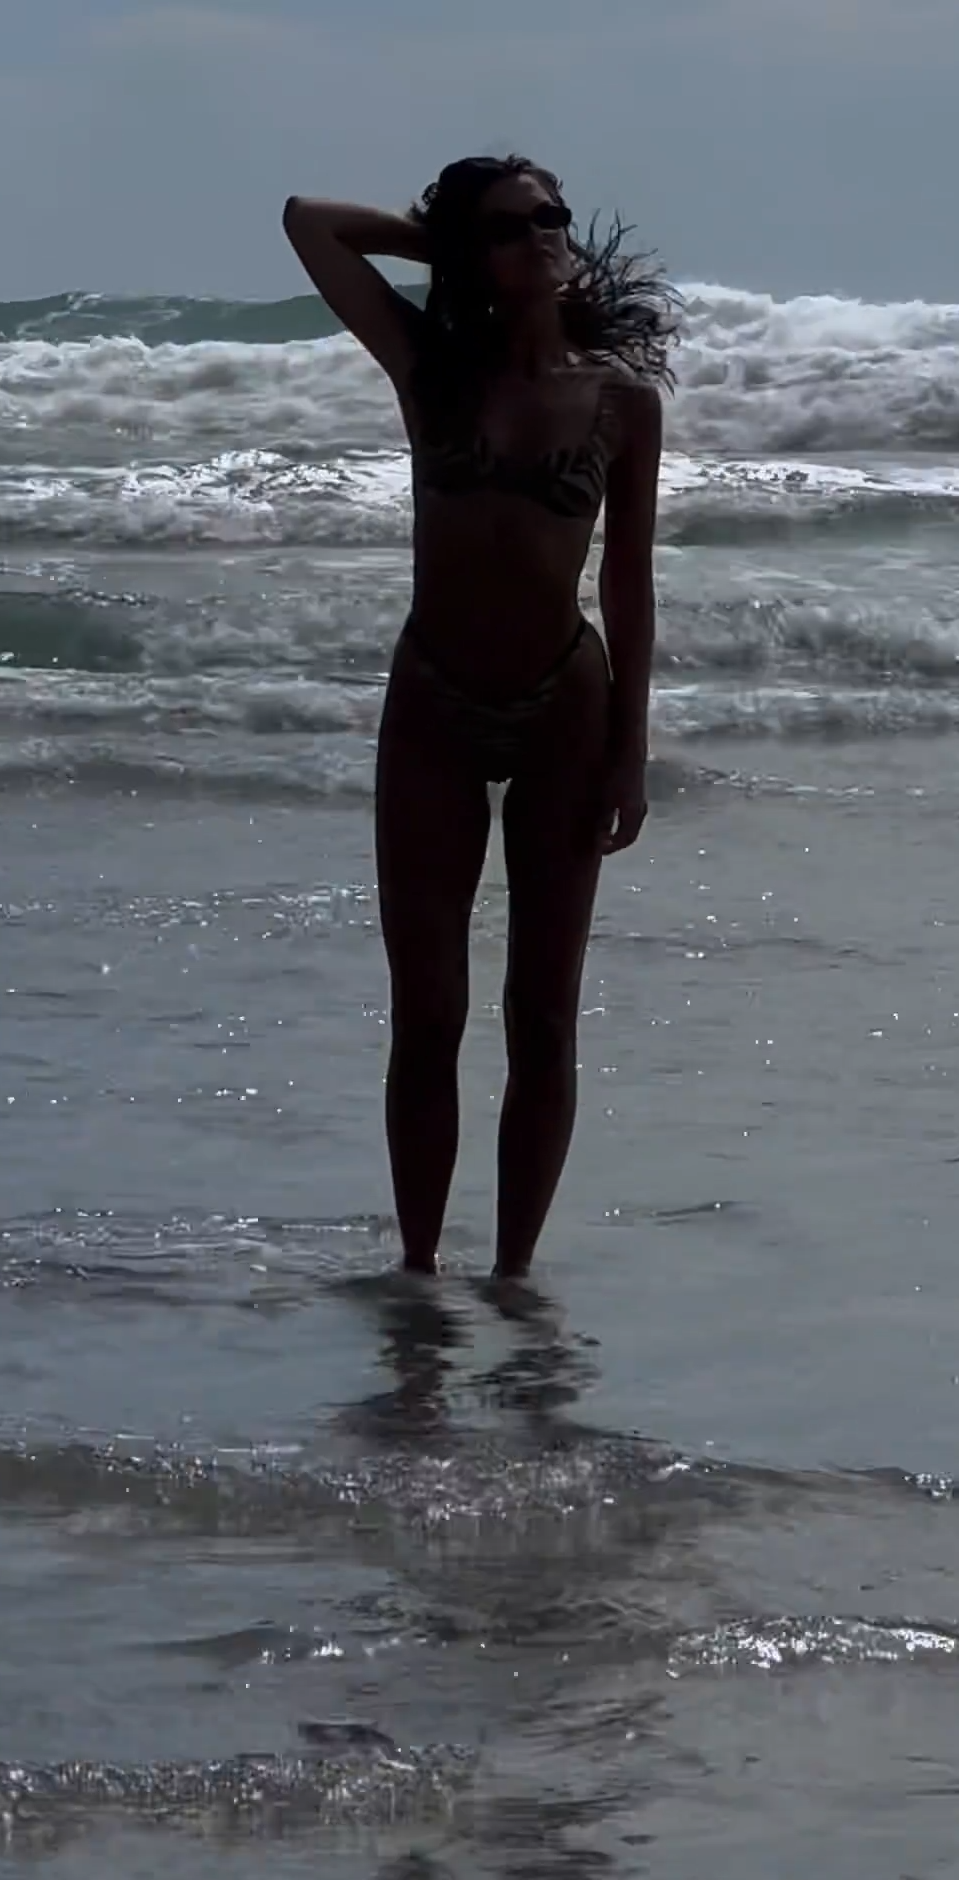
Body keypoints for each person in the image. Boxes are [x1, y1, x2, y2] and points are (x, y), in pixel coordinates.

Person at [282, 154, 673, 1282]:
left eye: (551, 216)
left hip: (564, 706)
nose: (542, 234)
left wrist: (631, 749)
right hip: (434, 705)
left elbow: (629, 581)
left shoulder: (621, 401)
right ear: (473, 252)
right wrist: (446, 248)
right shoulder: (429, 368)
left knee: (542, 1015)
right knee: (430, 1011)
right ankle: (419, 1275)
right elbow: (310, 223)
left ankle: (513, 1282)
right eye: (510, 226)